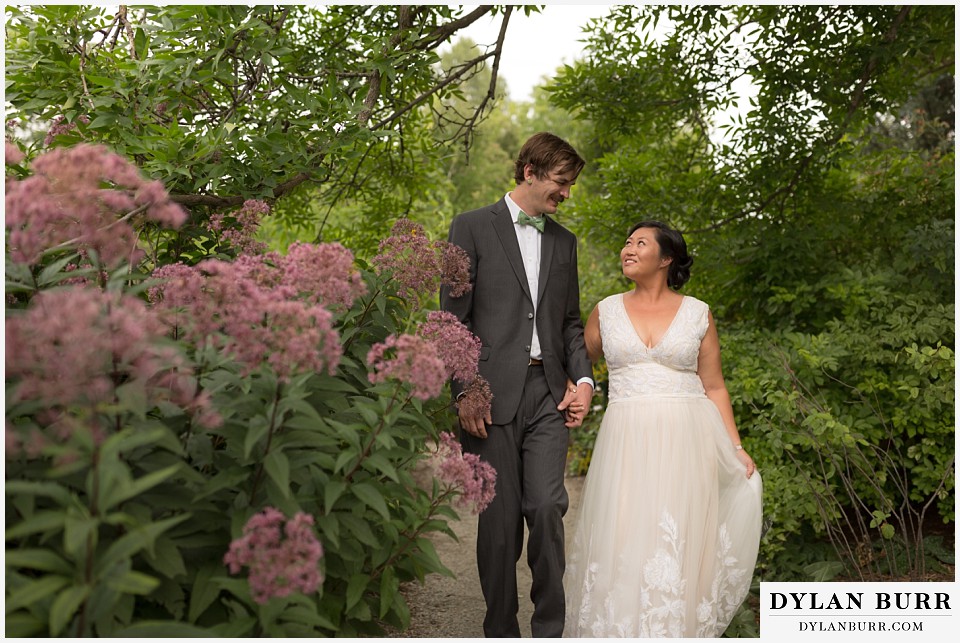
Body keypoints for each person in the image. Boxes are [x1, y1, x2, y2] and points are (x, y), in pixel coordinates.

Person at [563, 221, 763, 638]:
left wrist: (736, 446)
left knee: (676, 537)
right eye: (626, 243)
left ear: (666, 258)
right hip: (626, 440)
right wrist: (573, 389)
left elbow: (714, 386)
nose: (628, 249)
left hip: (688, 441)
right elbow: (577, 364)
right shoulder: (607, 310)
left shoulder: (697, 312)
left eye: (640, 243)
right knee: (624, 532)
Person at [440, 132, 595, 638]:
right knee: (500, 526)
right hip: (488, 396)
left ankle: (550, 629)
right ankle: (501, 631)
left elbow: (570, 323)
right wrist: (464, 390)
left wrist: (585, 379)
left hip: (547, 393)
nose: (566, 193)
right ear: (530, 171)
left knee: (548, 506)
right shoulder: (468, 227)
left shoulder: (564, 243)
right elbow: (452, 320)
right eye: (560, 182)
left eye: (570, 185)